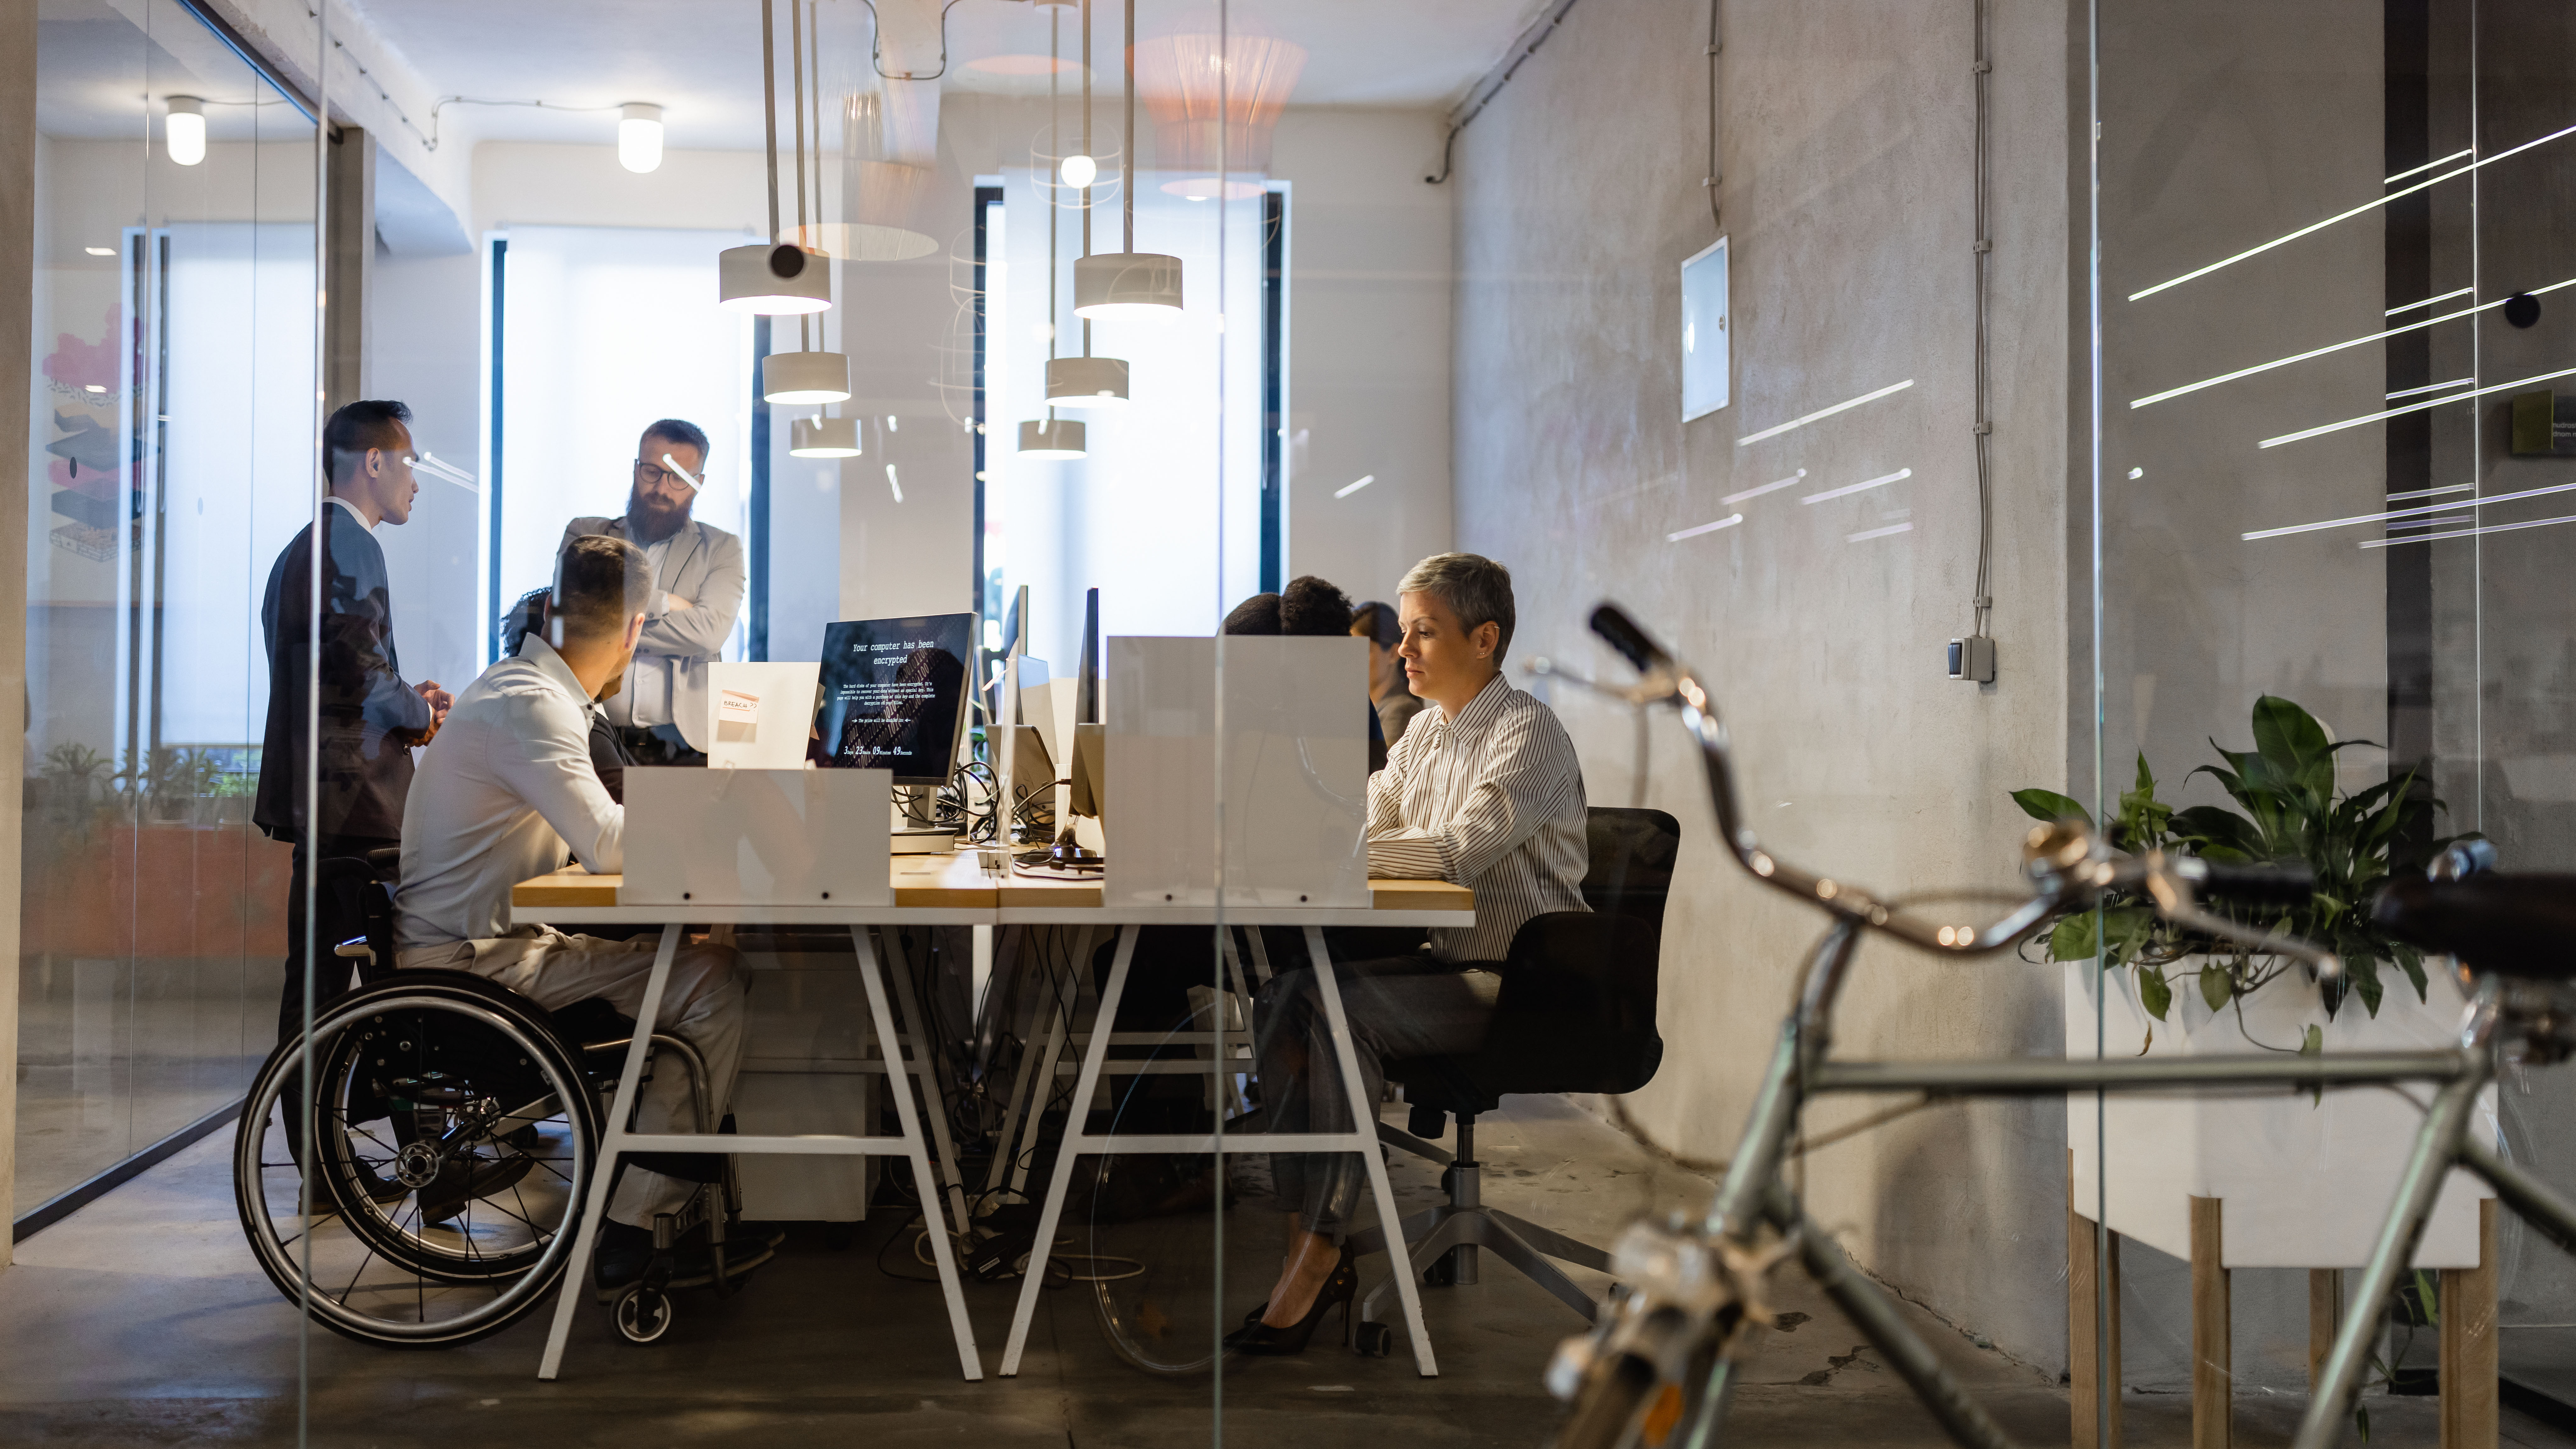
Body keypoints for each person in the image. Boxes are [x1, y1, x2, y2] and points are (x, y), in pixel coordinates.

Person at [1230, 552, 1588, 1354]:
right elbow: (1367, 824)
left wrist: (1325, 851)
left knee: (1324, 1003)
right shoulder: (1424, 734)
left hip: (1523, 984)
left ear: (1485, 638)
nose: (1402, 649)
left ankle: (1321, 1245)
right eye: (1406, 633)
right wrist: (1304, 840)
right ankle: (1304, 1234)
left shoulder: (1527, 732)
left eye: (1424, 632)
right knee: (1286, 993)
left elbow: (1458, 849)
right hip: (1449, 968)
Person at [395, 534, 764, 1290]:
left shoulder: (518, 690)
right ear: (636, 631)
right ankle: (636, 1224)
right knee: (715, 981)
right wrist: (738, 821)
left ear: (554, 605)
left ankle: (661, 1187)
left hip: (484, 945)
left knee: (693, 962)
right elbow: (606, 844)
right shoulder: (536, 707)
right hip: (472, 967)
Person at [253, 399, 454, 1066]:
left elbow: (335, 674)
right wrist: (422, 715)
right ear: (375, 462)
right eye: (410, 465)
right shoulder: (350, 543)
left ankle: (321, 1156)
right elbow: (360, 675)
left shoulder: (298, 552)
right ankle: (403, 1156)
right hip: (358, 807)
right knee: (388, 993)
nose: (416, 483)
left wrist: (404, 699)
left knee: (315, 989)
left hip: (324, 804)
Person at [558, 419, 746, 766]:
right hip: (593, 736)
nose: (662, 488)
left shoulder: (722, 549)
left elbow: (708, 635)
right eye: (652, 472)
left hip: (686, 746)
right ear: (635, 469)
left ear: (698, 484)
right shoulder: (585, 534)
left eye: (678, 478)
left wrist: (611, 622)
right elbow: (571, 619)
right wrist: (663, 603)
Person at [1350, 599, 1424, 769]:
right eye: (1350, 651)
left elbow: (1378, 776)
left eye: (1362, 651)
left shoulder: (1401, 710)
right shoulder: (1365, 708)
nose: (1352, 661)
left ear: (1392, 653)